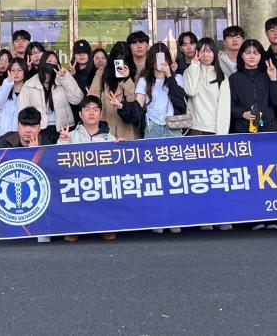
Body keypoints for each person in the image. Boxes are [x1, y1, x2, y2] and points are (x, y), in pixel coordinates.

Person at [0, 107, 53, 243]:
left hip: (39, 194)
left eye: (33, 126)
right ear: (18, 125)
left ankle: (43, 226)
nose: (28, 130)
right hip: (10, 192)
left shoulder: (47, 142)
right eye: (24, 125)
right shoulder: (5, 141)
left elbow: (55, 173)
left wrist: (37, 153)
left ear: (39, 127)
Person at [229, 39, 277, 232]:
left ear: (261, 56)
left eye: (256, 52)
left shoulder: (268, 74)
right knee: (250, 175)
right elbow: (228, 105)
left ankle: (272, 216)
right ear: (241, 55)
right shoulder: (234, 78)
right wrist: (242, 114)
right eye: (248, 52)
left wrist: (273, 79)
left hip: (267, 129)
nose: (252, 56)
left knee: (269, 174)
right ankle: (254, 216)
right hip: (244, 130)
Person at [137, 42, 187, 234]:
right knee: (154, 176)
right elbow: (139, 105)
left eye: (164, 57)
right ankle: (157, 217)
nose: (160, 61)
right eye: (157, 57)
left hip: (173, 128)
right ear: (151, 60)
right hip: (153, 128)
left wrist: (169, 76)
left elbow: (180, 102)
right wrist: (123, 106)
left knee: (175, 175)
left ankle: (175, 217)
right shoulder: (144, 81)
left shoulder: (177, 78)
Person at [56, 95, 120, 244]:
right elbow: (58, 162)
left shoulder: (110, 139)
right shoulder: (69, 135)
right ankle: (73, 228)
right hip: (77, 183)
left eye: (95, 109)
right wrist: (64, 142)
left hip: (100, 184)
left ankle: (106, 226)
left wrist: (122, 147)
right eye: (87, 109)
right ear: (80, 114)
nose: (91, 113)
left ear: (101, 114)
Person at [19, 50, 84, 144]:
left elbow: (77, 99)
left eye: (55, 62)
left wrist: (64, 78)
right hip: (39, 130)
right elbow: (23, 110)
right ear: (42, 62)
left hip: (63, 129)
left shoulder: (64, 78)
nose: (52, 64)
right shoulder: (29, 84)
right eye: (49, 61)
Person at [89, 42, 141, 141]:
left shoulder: (135, 73)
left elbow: (133, 102)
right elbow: (93, 98)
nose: (121, 63)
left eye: (125, 59)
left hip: (127, 126)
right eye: (118, 60)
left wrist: (127, 79)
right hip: (106, 124)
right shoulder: (102, 73)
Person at [183, 37, 231, 137]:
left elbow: (224, 109)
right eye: (201, 51)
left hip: (214, 129)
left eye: (209, 51)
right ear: (197, 53)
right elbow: (191, 91)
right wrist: (194, 65)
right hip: (194, 128)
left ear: (214, 53)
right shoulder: (189, 71)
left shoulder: (222, 77)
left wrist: (222, 134)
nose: (205, 55)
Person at [0, 57, 27, 138]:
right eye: (13, 70)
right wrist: (8, 84)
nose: (16, 73)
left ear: (25, 72)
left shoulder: (29, 91)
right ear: (9, 72)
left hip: (21, 137)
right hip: (1, 135)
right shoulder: (2, 88)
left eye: (19, 70)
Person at [69, 40, 97, 107]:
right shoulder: (68, 73)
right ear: (74, 55)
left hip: (90, 108)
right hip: (73, 109)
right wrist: (70, 77)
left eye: (84, 52)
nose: (81, 55)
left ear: (89, 54)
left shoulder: (96, 72)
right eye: (78, 52)